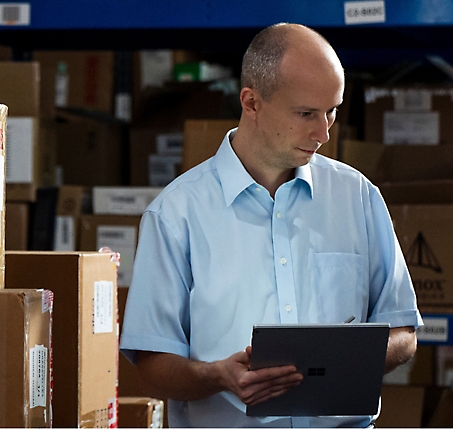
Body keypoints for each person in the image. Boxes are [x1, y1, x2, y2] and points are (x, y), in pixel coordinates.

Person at [119, 23, 423, 428]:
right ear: (252, 103)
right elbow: (152, 364)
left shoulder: (358, 198)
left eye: (332, 110)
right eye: (306, 113)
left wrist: (344, 360)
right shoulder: (177, 214)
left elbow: (404, 331)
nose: (324, 132)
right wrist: (217, 377)